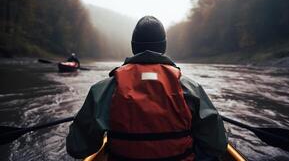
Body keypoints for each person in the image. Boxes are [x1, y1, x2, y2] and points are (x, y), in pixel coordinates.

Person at [66, 16, 227, 160]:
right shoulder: (190, 88)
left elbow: (77, 148)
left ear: (133, 46)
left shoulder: (104, 89)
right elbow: (217, 145)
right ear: (163, 46)